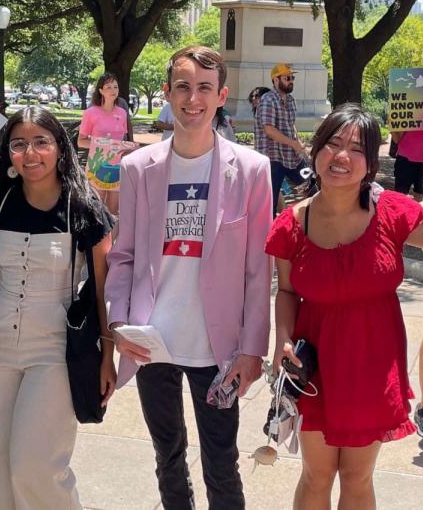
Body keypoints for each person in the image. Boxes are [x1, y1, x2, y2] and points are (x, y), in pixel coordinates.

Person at [105, 45, 272, 509]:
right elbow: (124, 255)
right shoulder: (138, 167)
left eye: (203, 88)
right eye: (182, 86)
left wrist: (253, 347)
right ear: (167, 93)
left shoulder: (252, 170)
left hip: (217, 350)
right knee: (168, 456)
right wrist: (118, 324)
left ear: (222, 95)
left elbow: (259, 270)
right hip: (151, 342)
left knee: (222, 461)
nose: (192, 98)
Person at [266, 103, 423, 509]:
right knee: (316, 476)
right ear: (316, 150)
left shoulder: (393, 212)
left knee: (357, 477)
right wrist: (281, 341)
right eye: (333, 144)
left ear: (370, 163)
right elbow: (286, 292)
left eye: (356, 149)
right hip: (315, 367)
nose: (342, 157)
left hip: (373, 365)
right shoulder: (290, 224)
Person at [0, 106, 115, 509]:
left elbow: (103, 290)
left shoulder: (82, 207)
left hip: (55, 345)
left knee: (35, 466)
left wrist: (107, 356)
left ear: (60, 149)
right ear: (8, 153)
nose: (30, 153)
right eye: (19, 144)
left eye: (41, 142)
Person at [77, 72, 137, 215]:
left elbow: (122, 141)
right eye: (108, 87)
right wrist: (101, 143)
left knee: (113, 210)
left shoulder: (122, 113)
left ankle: (112, 238)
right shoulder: (90, 113)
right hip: (96, 165)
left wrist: (130, 148)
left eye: (115, 87)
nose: (113, 90)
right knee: (96, 208)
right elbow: (81, 141)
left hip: (116, 166)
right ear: (100, 91)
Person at [256, 63, 310, 215]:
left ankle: (309, 223)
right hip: (272, 157)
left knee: (312, 186)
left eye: (292, 77)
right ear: (275, 80)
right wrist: (293, 143)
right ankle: (269, 235)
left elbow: (290, 125)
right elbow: (269, 130)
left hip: (291, 155)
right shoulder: (268, 100)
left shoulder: (291, 100)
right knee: (269, 202)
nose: (291, 80)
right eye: (287, 77)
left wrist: (298, 143)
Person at [389, 109, 423, 201]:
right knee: (400, 196)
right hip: (404, 161)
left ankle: (418, 215)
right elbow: (396, 139)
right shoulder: (404, 111)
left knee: (421, 196)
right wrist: (392, 125)